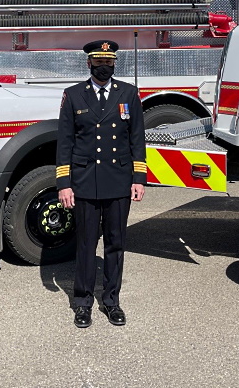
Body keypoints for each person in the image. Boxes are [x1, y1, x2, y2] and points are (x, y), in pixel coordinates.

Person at [56, 40, 147, 328]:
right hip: (84, 183)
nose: (103, 67)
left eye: (108, 62)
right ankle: (82, 302)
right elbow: (65, 143)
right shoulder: (72, 96)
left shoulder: (129, 94)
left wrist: (138, 178)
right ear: (89, 64)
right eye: (98, 62)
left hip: (118, 181)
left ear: (114, 64)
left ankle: (111, 302)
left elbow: (136, 139)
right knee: (85, 244)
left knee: (116, 244)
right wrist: (64, 184)